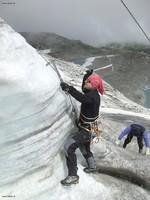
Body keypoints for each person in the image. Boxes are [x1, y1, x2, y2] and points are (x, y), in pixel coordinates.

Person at [60, 69, 104, 185]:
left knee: (68, 146)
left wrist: (69, 89)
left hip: (87, 131)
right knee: (84, 147)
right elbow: (84, 89)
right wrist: (87, 76)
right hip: (90, 129)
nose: (85, 83)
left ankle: (73, 175)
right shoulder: (93, 93)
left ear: (93, 85)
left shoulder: (92, 97)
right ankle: (92, 166)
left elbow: (82, 97)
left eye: (88, 82)